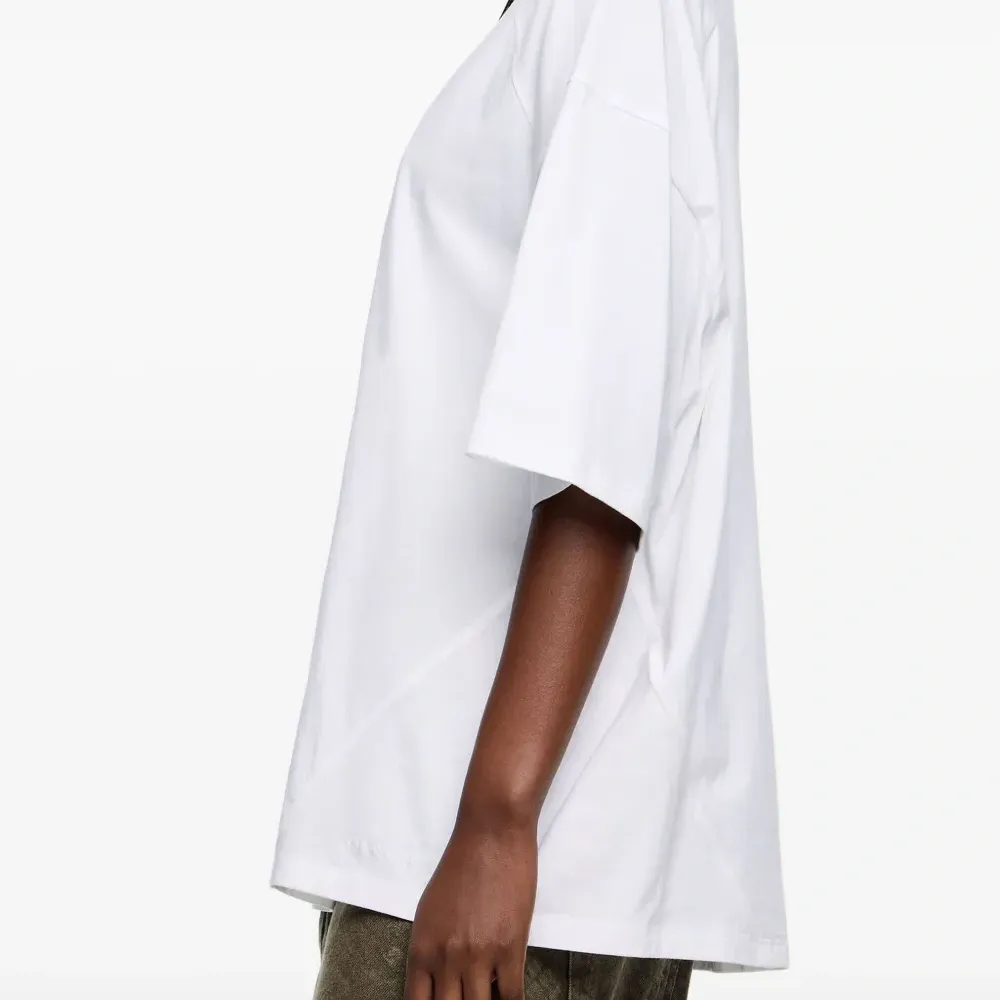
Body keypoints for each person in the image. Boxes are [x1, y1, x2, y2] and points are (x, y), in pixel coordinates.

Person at [271, 0, 789, 996]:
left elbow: (601, 443)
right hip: (488, 840)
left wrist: (496, 819)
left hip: (514, 853)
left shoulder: (614, 18)